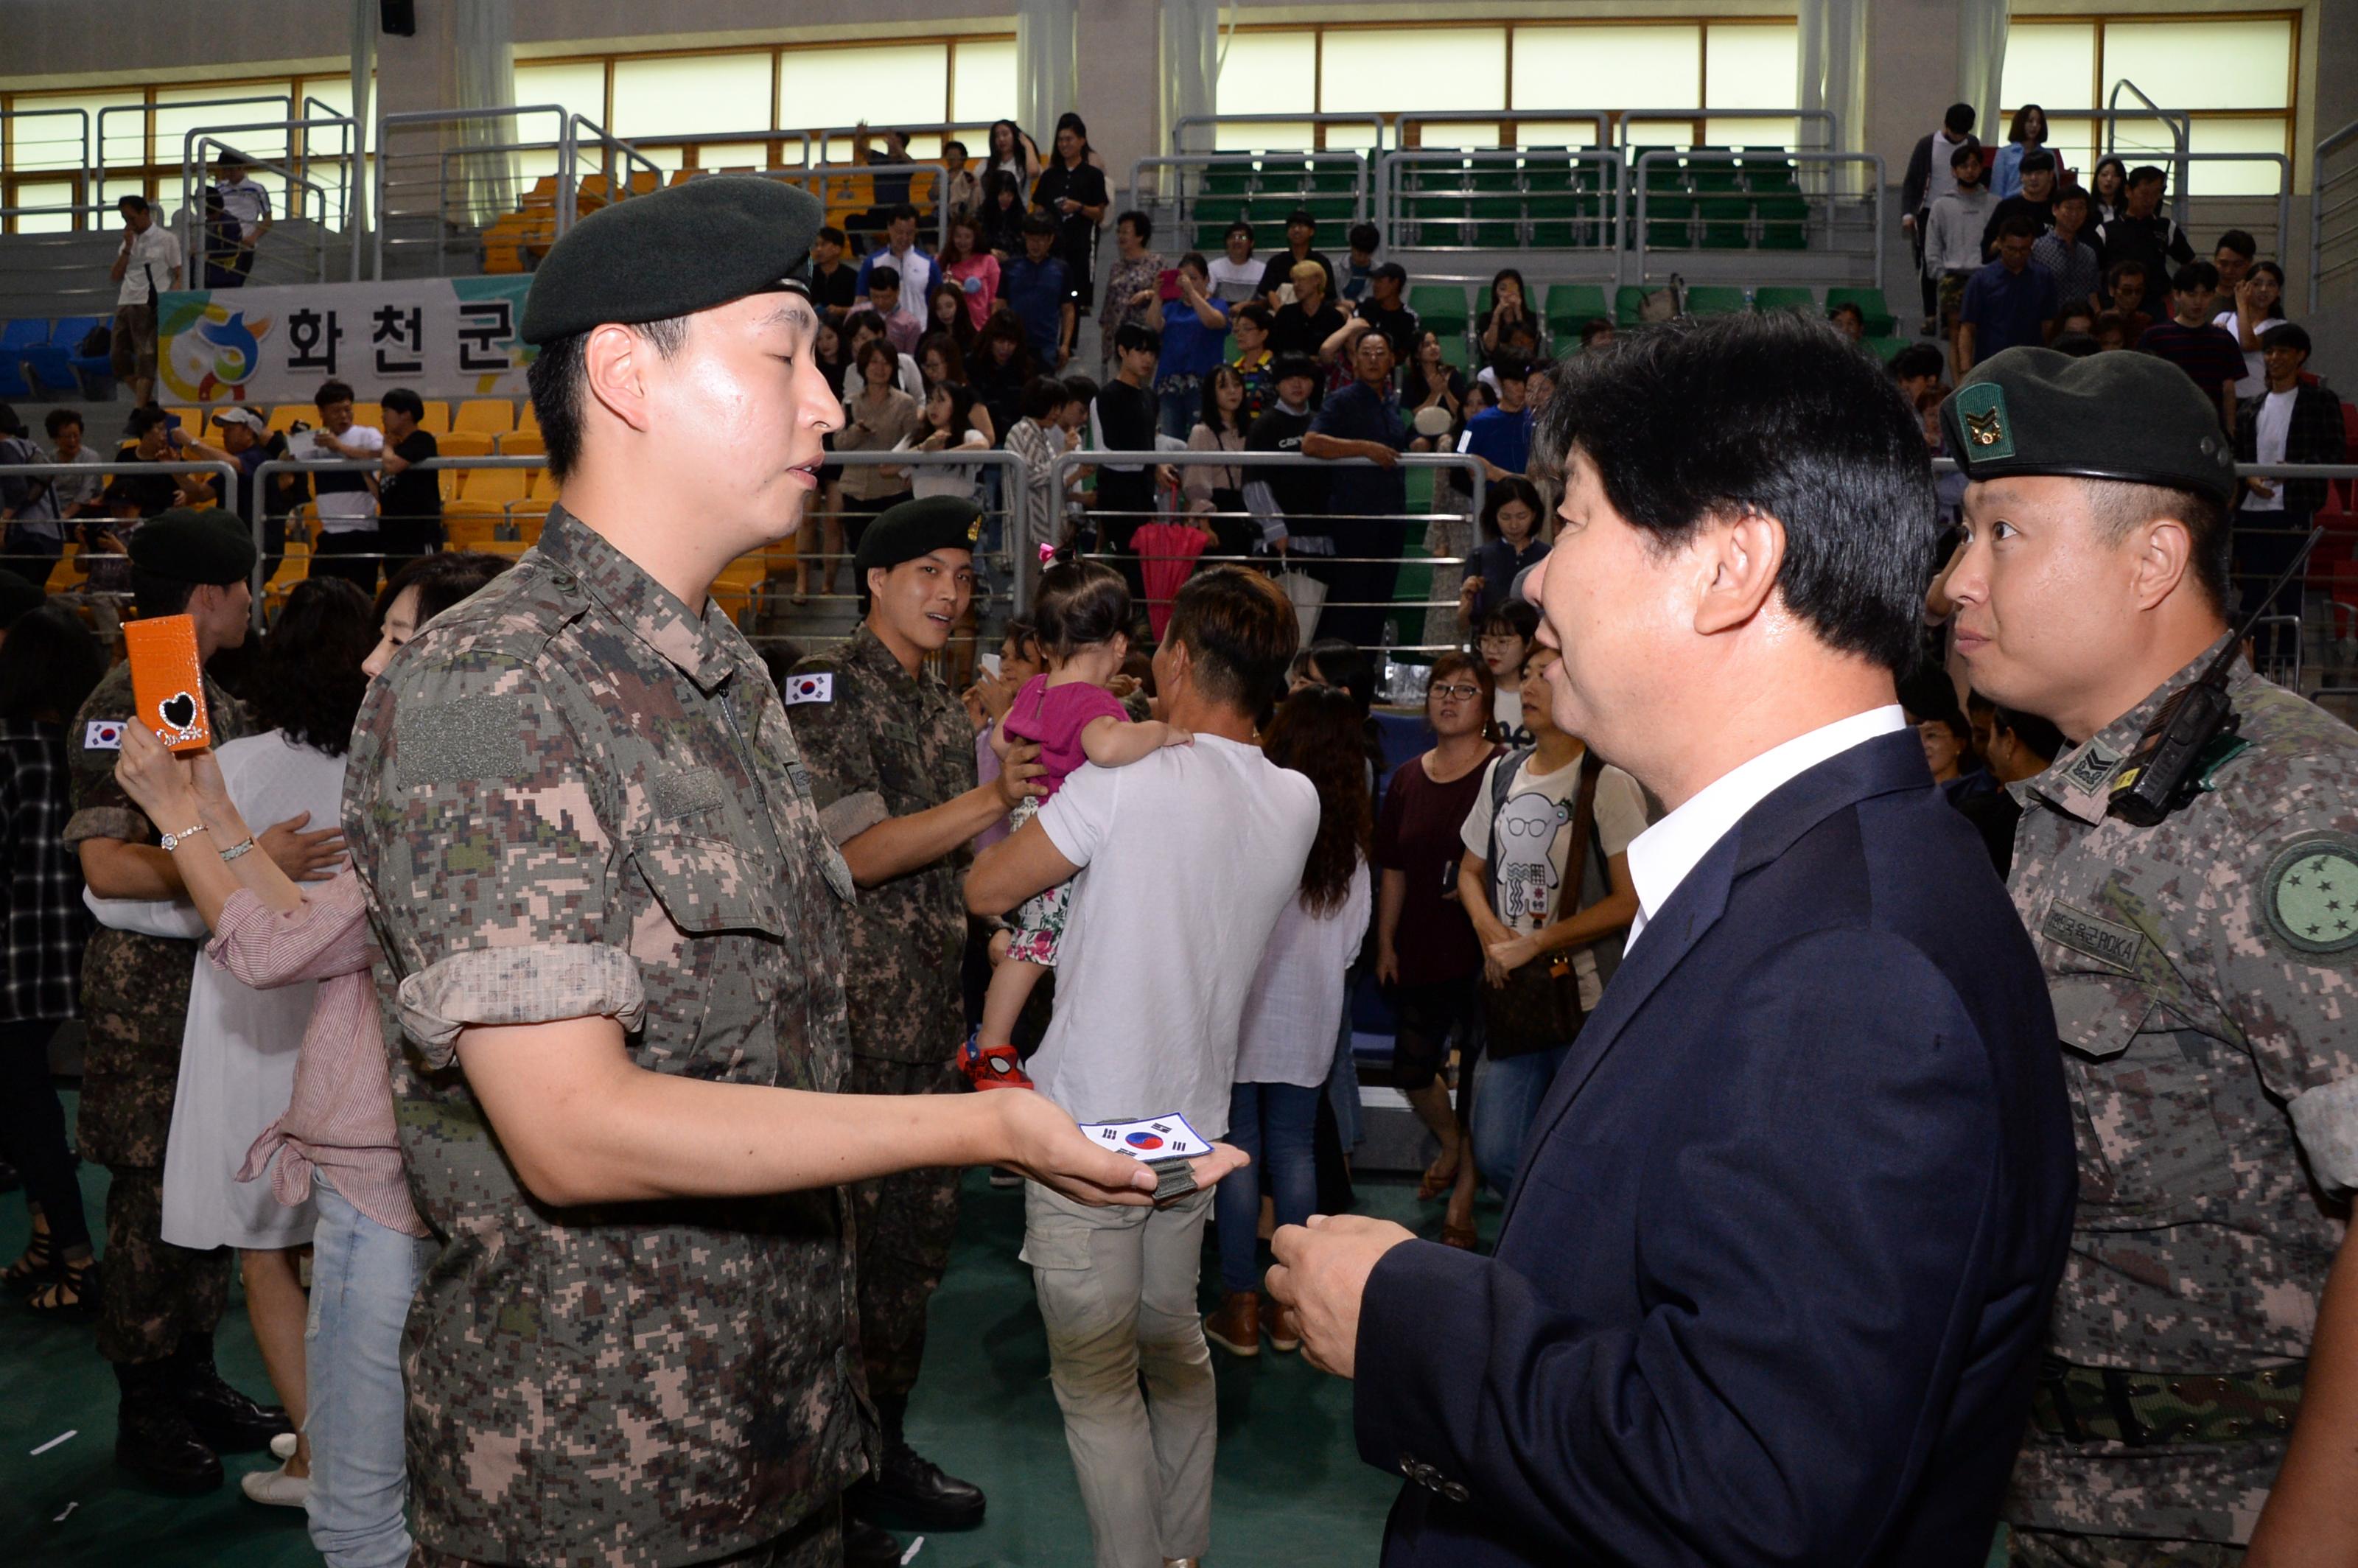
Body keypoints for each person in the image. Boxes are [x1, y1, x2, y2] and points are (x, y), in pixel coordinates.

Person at [346, 178, 1233, 1568]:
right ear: (628, 374)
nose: (827, 405)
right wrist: (985, 1127)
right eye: (785, 354)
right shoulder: (490, 687)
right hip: (599, 1491)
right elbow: (572, 1130)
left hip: (780, 1450)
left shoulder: (728, 684)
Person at [1267, 311, 2078, 1566]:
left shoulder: (1854, 965)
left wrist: (1406, 1317)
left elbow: (1748, 1486)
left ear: (1729, 566)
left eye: (1576, 518)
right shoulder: (1807, 881)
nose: (1535, 576)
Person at [1934, 346, 2358, 1568]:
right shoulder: (2087, 802)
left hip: (2236, 1514)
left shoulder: (2295, 809)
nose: (1956, 581)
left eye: (2002, 533)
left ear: (2154, 559)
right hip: (2075, 1503)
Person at [105, 551, 509, 1568]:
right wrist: (219, 814)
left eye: (403, 641)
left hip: (385, 1176)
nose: (374, 665)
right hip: (428, 1163)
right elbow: (305, 926)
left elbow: (275, 946)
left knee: (361, 1512)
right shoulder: (473, 769)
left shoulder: (442, 798)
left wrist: (185, 816)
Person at [966, 566, 1318, 1568]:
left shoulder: (1125, 780)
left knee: (1094, 1377)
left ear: (1175, 658)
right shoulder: (1294, 801)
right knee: (1174, 1351)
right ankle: (1184, 1553)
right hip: (1185, 1132)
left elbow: (990, 886)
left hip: (1084, 1125)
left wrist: (1026, 794)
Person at [786, 494, 1046, 1544]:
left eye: (962, 576)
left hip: (922, 1029)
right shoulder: (823, 690)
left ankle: (879, 1453)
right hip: (845, 1032)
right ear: (877, 582)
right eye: (927, 573)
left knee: (907, 1264)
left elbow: (947, 870)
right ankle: (825, 1480)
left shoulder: (944, 715)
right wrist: (993, 801)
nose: (949, 593)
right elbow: (851, 853)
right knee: (839, 1268)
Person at [69, 510, 325, 1494]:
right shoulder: (129, 693)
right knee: (145, 1202)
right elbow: (108, 862)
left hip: (217, 982)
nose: (251, 606)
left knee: (210, 1189)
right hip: (149, 1000)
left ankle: (196, 1379)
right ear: (211, 594)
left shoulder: (201, 691)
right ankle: (146, 1404)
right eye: (244, 587)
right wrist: (249, 860)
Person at [157, 574, 373, 1509]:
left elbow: (157, 890)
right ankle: (358, 1433)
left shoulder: (233, 764)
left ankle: (319, 1454)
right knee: (356, 1248)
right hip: (354, 1025)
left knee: (265, 1249)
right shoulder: (395, 753)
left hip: (252, 1021)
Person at [962, 557, 1191, 1088]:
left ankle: (992, 1034)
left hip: (1026, 821)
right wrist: (1159, 731)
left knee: (1034, 943)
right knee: (1037, 948)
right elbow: (1107, 747)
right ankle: (991, 1047)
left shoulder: (1036, 689)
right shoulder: (1091, 701)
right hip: (1057, 843)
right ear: (1117, 645)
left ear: (1044, 642)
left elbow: (1001, 741)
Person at [1206, 682, 1373, 1355]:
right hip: (1309, 1023)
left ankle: (1240, 1307)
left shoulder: (1252, 829)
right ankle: (1289, 1309)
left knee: (1239, 1154)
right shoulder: (1350, 856)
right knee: (1296, 1153)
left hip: (1241, 1017)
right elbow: (1353, 946)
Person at [1452, 644, 1645, 1199]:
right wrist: (1495, 938)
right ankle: (1545, 1234)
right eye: (1528, 676)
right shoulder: (1502, 771)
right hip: (1513, 989)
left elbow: (1629, 900)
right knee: (1495, 1149)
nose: (1531, 686)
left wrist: (1536, 943)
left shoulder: (1605, 780)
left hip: (1586, 996)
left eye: (1546, 675)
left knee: (1588, 1144)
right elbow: (1469, 872)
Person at [0, 603, 108, 1316]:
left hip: (9, 953)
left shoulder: (5, 745)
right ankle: (50, 1239)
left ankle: (73, 1254)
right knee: (25, 1098)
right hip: (69, 948)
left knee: (24, 1106)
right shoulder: (83, 751)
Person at [1373, 651, 1500, 1249]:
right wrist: (1386, 941)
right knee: (1413, 1067)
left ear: (1486, 706)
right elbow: (1392, 868)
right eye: (1440, 688)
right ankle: (1452, 1146)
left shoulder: (1504, 771)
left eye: (1465, 690)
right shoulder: (1406, 777)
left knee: (1475, 1080)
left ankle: (1463, 1207)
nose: (1449, 698)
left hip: (1481, 949)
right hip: (1420, 943)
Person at [2233, 321, 2346, 632]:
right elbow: (2238, 456)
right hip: (2252, 512)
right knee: (2252, 596)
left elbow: (2334, 452)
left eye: (2282, 351)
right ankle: (2251, 667)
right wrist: (2249, 479)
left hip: (2294, 507)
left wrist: (2294, 470)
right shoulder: (2250, 408)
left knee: (2289, 595)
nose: (2274, 358)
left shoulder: (2321, 401)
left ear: (2300, 356)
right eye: (2269, 351)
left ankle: (2285, 666)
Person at [1303, 331, 1410, 650]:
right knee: (1351, 603)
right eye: (1366, 353)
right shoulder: (1342, 399)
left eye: (1380, 353)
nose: (1374, 359)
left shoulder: (1391, 405)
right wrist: (1364, 449)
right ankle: (1339, 680)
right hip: (1355, 518)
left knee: (1378, 604)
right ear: (1354, 360)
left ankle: (1364, 680)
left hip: (1391, 520)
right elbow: (1311, 443)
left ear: (1391, 360)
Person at [292, 379, 386, 594]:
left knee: (362, 595)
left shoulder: (366, 434)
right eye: (336, 411)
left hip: (363, 532)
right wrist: (296, 440)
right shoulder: (315, 439)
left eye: (347, 410)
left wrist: (339, 447)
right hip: (330, 534)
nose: (344, 416)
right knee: (315, 595)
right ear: (322, 413)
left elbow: (381, 454)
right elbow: (283, 460)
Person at [1243, 353, 1327, 578]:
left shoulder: (1321, 423)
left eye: (1303, 377)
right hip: (1282, 540)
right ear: (1278, 384)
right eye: (1289, 378)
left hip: (1322, 537)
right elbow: (1254, 482)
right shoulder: (1263, 425)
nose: (1297, 384)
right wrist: (1274, 527)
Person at [1952, 704, 2062, 875]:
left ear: (2009, 741)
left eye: (1992, 735)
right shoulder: (2080, 810)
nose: (1988, 748)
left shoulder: (1977, 820)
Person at [836, 338, 923, 553]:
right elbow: (838, 445)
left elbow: (913, 443)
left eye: (886, 363)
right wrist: (857, 432)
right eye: (874, 362)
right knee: (860, 554)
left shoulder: (906, 403)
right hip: (855, 490)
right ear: (863, 366)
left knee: (892, 555)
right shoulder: (850, 402)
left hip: (892, 490)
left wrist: (910, 472)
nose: (880, 368)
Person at [2138, 262, 2246, 433]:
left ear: (2212, 296)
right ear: (2177, 294)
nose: (2198, 302)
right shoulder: (2155, 337)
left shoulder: (2223, 340)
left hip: (2210, 428)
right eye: (2191, 294)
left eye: (2205, 295)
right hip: (2164, 428)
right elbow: (2143, 388)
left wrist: (2230, 431)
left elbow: (2228, 390)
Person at [1903, 103, 1979, 327]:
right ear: (1946, 125)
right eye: (1955, 133)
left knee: (1956, 263)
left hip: (1960, 211)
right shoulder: (1927, 145)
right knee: (1929, 262)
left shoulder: (1972, 144)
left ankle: (1950, 313)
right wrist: (1908, 213)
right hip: (1928, 210)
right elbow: (1911, 181)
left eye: (1962, 134)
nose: (1958, 138)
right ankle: (1930, 314)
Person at [1956, 217, 2060, 376]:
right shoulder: (1981, 280)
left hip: (2032, 367)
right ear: (1999, 243)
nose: (2017, 255)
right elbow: (1968, 328)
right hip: (1990, 366)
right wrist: (1965, 369)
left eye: (2024, 250)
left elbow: (2049, 325)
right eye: (2011, 249)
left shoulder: (2043, 278)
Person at [1146, 252, 1232, 442]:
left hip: (1202, 383)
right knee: (1169, 439)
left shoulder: (1218, 304)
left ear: (1207, 279)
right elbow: (1153, 326)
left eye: (1194, 278)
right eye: (1183, 278)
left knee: (1201, 438)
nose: (1187, 283)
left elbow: (1213, 321)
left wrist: (1192, 292)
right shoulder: (1171, 308)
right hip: (1169, 383)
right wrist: (1158, 296)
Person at [108, 195, 183, 407]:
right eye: (124, 219)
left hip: (150, 302)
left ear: (145, 213)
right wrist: (128, 248)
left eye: (132, 218)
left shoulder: (167, 239)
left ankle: (140, 409)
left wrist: (168, 301)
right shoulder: (127, 241)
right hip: (126, 301)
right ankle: (148, 403)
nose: (128, 224)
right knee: (117, 358)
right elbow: (116, 275)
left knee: (146, 358)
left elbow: (179, 272)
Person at [1032, 114, 1110, 314]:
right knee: (1050, 296)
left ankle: (1069, 344)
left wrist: (1079, 207)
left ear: (1082, 141)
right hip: (1052, 247)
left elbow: (1099, 214)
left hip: (1080, 246)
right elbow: (1038, 210)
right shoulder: (1049, 176)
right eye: (1060, 140)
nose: (1064, 144)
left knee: (1074, 298)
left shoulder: (1093, 175)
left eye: (1069, 139)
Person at [1925, 141, 1994, 348]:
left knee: (1987, 333)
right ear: (1954, 171)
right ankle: (1961, 380)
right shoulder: (1941, 205)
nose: (1970, 171)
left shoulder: (1995, 203)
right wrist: (1941, 274)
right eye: (1964, 166)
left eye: (1974, 165)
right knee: (1956, 336)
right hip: (1953, 276)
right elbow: (1933, 244)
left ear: (1981, 168)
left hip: (1987, 277)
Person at [1457, 477, 1546, 631]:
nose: (1514, 525)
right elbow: (1462, 625)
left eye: (1521, 516)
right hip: (1492, 646)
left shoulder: (1548, 555)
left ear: (1534, 514)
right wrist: (1468, 599)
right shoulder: (1479, 557)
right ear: (1494, 516)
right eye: (1505, 517)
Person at [372, 388, 441, 581]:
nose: (383, 417)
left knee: (424, 589)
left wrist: (386, 446)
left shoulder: (422, 440)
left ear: (405, 414)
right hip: (392, 538)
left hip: (418, 536)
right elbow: (382, 494)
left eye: (387, 411)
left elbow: (392, 466)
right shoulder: (397, 450)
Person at [1182, 363, 1251, 556]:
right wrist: (1205, 526)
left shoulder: (1249, 429)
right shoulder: (1202, 431)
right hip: (1217, 513)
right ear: (1211, 393)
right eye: (1223, 386)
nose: (1232, 392)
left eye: (1237, 385)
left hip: (1246, 511)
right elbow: (1196, 484)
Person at [2096, 165, 2195, 287]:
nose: (2150, 200)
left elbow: (2191, 263)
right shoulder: (2106, 231)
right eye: (2144, 193)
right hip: (2116, 301)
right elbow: (2095, 273)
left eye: (2155, 194)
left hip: (2155, 301)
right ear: (2128, 191)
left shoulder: (2166, 227)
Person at [1003, 212, 1076, 371]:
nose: (1035, 245)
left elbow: (1068, 309)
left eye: (1041, 240)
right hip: (1014, 344)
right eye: (1031, 239)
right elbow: (1000, 305)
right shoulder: (1010, 267)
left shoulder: (1062, 269)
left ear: (1050, 240)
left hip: (1047, 346)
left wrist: (1065, 344)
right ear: (1025, 238)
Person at [1099, 211, 1167, 379]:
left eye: (1126, 232)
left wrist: (1147, 293)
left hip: (1145, 336)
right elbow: (1109, 303)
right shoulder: (1116, 266)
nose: (1121, 236)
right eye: (1119, 231)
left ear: (1140, 236)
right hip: (1120, 337)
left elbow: (1167, 293)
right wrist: (1106, 335)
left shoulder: (1156, 262)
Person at [2214, 258, 2287, 397]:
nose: (2264, 290)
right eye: (2257, 284)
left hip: (2257, 399)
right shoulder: (2224, 318)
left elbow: (2248, 344)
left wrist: (2242, 304)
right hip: (2224, 396)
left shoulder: (2280, 327)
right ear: (2245, 286)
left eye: (2271, 285)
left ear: (2278, 292)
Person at [905, 381, 990, 501]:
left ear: (955, 405)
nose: (933, 407)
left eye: (940, 401)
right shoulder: (917, 437)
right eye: (929, 401)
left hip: (959, 509)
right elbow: (886, 468)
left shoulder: (968, 436)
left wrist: (942, 456)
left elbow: (983, 445)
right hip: (923, 510)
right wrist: (923, 448)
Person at [1457, 354, 1532, 482]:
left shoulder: (1539, 420)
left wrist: (1495, 473)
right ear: (1499, 382)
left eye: (1526, 383)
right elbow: (1461, 454)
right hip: (1491, 498)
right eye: (1515, 383)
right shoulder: (1475, 423)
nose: (1522, 389)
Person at [2032, 183, 2102, 317]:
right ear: (2055, 210)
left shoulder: (2088, 253)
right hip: (2046, 327)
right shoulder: (2036, 249)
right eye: (2069, 208)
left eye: (2081, 208)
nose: (2075, 214)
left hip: (2082, 327)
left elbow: (2093, 296)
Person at [1477, 598, 1540, 748]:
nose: (1492, 650)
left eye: (1502, 642)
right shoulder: (1475, 693)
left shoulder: (1543, 694)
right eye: (1485, 640)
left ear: (1529, 643)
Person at [1270, 260, 1348, 371]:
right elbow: (1277, 350)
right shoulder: (1285, 314)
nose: (1296, 285)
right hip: (1289, 372)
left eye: (1301, 280)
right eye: (1294, 281)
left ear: (1317, 281)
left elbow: (1337, 356)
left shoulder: (1333, 317)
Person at [211, 150, 273, 285]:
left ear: (241, 168)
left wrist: (253, 238)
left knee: (234, 283)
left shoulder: (255, 189)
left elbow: (268, 219)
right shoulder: (219, 189)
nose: (228, 174)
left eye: (231, 170)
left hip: (243, 244)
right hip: (220, 244)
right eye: (225, 170)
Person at [1981, 148, 2058, 257]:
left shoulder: (2059, 209)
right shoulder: (2006, 207)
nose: (2033, 178)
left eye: (2039, 173)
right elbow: (1986, 251)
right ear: (2021, 177)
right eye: (2028, 173)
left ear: (2050, 175)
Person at [1255, 208, 1339, 304]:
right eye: (1292, 226)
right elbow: (1270, 292)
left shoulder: (1322, 262)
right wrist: (1281, 313)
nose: (1296, 230)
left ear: (1311, 232)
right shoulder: (1276, 262)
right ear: (1287, 233)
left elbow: (1326, 293)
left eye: (1301, 226)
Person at [934, 214, 998, 334]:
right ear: (951, 237)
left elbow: (995, 301)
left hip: (980, 329)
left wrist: (992, 332)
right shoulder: (940, 261)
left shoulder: (989, 261)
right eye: (958, 236)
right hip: (949, 330)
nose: (962, 241)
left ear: (976, 237)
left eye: (968, 236)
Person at [844, 263, 924, 357]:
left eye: (886, 297)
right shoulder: (856, 314)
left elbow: (910, 358)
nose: (880, 302)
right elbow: (845, 346)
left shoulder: (910, 324)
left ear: (898, 291)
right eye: (875, 296)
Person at [1352, 262, 1418, 363]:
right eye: (1374, 281)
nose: (1375, 285)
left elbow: (1402, 355)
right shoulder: (1366, 306)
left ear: (1395, 283)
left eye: (1379, 281)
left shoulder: (1408, 317)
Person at [1991, 103, 2049, 201]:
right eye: (2030, 121)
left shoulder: (2048, 155)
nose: (2035, 126)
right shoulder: (2004, 154)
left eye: (2039, 122)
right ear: (2020, 123)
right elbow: (1997, 189)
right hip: (2011, 206)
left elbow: (2053, 187)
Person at [1230, 301, 1276, 421]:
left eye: (1246, 329)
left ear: (1263, 334)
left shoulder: (1274, 367)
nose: (1240, 334)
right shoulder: (1234, 369)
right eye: (1237, 330)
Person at [808, 224, 859, 329]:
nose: (818, 249)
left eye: (823, 245)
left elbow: (859, 308)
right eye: (817, 245)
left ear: (837, 249)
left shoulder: (851, 276)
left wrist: (841, 310)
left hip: (843, 327)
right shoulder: (809, 274)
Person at [1475, 268, 1532, 361]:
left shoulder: (1530, 317)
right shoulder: (1485, 318)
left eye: (1512, 288)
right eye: (1503, 289)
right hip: (1494, 365)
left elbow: (1525, 348)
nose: (1507, 294)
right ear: (1496, 292)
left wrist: (1518, 313)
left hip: (1522, 364)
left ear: (1520, 291)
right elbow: (1490, 347)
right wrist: (1497, 314)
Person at [1206, 219, 1260, 305]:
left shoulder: (1262, 269)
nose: (1237, 241)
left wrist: (1243, 307)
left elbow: (1264, 302)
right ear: (1226, 243)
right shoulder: (1213, 267)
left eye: (1243, 237)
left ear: (1251, 243)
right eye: (1232, 237)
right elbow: (1208, 295)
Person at [2090, 155, 2130, 227]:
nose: (2109, 179)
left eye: (2115, 175)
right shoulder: (2088, 208)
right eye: (2104, 175)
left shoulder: (2128, 209)